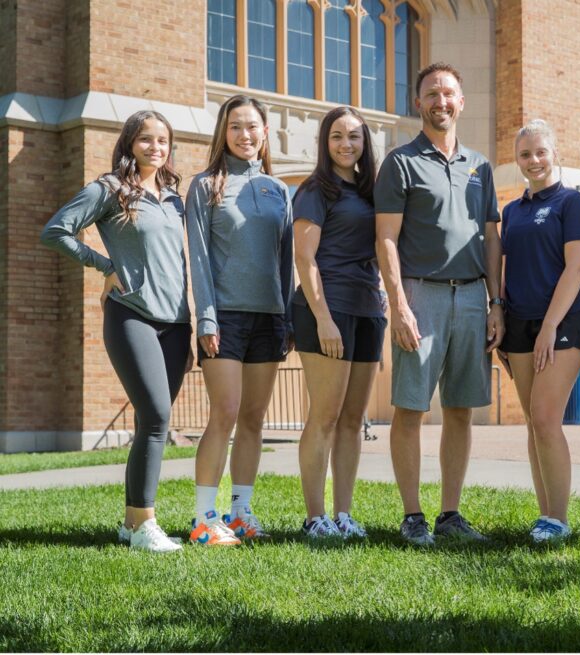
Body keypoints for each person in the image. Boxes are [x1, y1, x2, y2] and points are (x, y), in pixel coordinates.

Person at [41, 111, 190, 552]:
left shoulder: (174, 198)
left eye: (162, 140)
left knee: (150, 422)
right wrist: (105, 266)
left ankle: (130, 524)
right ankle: (146, 524)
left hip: (176, 323)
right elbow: (56, 231)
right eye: (146, 139)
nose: (155, 147)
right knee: (157, 417)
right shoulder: (109, 189)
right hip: (131, 315)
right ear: (129, 143)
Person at [375, 62, 503, 546]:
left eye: (448, 93)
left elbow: (492, 238)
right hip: (420, 293)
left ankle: (450, 514)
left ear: (461, 102)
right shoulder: (401, 163)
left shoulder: (480, 167)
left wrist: (496, 302)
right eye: (431, 93)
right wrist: (399, 305)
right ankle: (413, 516)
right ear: (418, 103)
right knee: (410, 407)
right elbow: (386, 238)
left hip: (471, 296)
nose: (440, 101)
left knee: (461, 409)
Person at [185, 94, 294, 546]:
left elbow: (286, 260)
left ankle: (241, 512)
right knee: (225, 413)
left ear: (265, 133)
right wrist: (207, 319)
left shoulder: (278, 189)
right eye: (235, 127)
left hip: (269, 318)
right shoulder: (206, 185)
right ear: (223, 132)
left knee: (253, 418)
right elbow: (198, 258)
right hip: (224, 318)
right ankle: (203, 518)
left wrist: (288, 318)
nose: (244, 135)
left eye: (252, 127)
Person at [292, 106, 386, 540]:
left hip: (368, 310)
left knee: (353, 419)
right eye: (336, 136)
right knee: (325, 416)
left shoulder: (372, 192)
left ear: (365, 142)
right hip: (328, 310)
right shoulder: (316, 190)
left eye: (354, 136)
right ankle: (315, 518)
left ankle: (343, 514)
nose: (346, 144)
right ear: (324, 143)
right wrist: (324, 318)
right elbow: (304, 257)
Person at [498, 120, 580, 542]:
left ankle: (559, 519)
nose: (533, 160)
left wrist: (550, 326)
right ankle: (545, 516)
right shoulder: (511, 211)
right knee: (533, 423)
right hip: (519, 323)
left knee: (545, 417)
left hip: (562, 322)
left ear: (554, 153)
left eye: (540, 152)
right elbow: (507, 268)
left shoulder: (570, 202)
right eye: (525, 154)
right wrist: (500, 314)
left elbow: (576, 267)